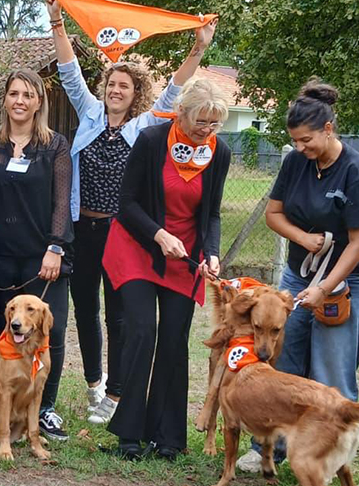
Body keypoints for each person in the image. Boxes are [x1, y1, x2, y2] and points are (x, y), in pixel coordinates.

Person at [45, 0, 217, 424]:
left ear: (135, 93)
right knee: (84, 308)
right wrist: (56, 21)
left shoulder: (145, 127)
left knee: (118, 312)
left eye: (124, 86)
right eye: (111, 85)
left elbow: (176, 90)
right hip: (80, 229)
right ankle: (94, 383)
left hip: (122, 232)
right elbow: (68, 71)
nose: (115, 91)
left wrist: (197, 48)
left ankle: (118, 393)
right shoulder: (88, 115)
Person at [238, 79, 359, 471]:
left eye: (306, 141)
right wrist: (304, 238)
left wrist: (324, 287)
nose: (300, 148)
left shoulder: (356, 171)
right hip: (298, 275)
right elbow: (274, 214)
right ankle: (267, 449)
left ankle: (332, 456)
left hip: (349, 279)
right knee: (280, 362)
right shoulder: (295, 162)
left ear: (329, 129)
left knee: (331, 371)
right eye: (296, 142)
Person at [102, 78, 231, 461]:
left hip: (185, 255)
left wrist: (211, 251)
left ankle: (168, 437)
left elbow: (212, 213)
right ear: (181, 113)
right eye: (200, 122)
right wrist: (159, 235)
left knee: (174, 341)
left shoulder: (218, 152)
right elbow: (125, 203)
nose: (205, 131)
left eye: (213, 124)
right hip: (139, 246)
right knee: (143, 331)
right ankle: (128, 434)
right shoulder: (152, 141)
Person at [0, 69, 73, 442]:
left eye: (28, 95)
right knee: (8, 336)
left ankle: (44, 409)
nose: (20, 101)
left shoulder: (54, 145)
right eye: (14, 93)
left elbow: (62, 200)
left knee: (50, 332)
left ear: (39, 102)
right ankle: (5, 407)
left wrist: (56, 246)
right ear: (5, 99)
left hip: (41, 257)